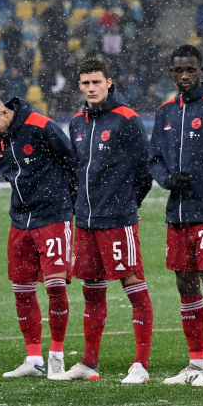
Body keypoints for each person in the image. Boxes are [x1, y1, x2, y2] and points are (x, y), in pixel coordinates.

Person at [0, 94, 79, 381]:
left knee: (55, 287)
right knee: (22, 288)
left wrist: (70, 204)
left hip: (54, 216)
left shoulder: (42, 126)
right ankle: (34, 357)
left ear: (5, 113)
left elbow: (72, 163)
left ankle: (56, 357)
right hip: (20, 219)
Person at [62, 57, 154, 384]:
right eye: (85, 83)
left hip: (117, 220)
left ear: (109, 82)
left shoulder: (127, 119)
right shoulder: (77, 122)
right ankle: (89, 363)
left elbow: (144, 172)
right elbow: (76, 171)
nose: (91, 88)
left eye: (96, 82)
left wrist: (125, 205)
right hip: (85, 221)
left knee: (134, 287)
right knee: (92, 290)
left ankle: (140, 365)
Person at [149, 45, 203, 387]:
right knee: (184, 283)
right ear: (172, 72)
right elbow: (154, 157)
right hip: (178, 214)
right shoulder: (165, 111)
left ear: (202, 70)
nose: (184, 76)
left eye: (190, 70)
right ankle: (195, 361)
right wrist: (167, 180)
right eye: (178, 71)